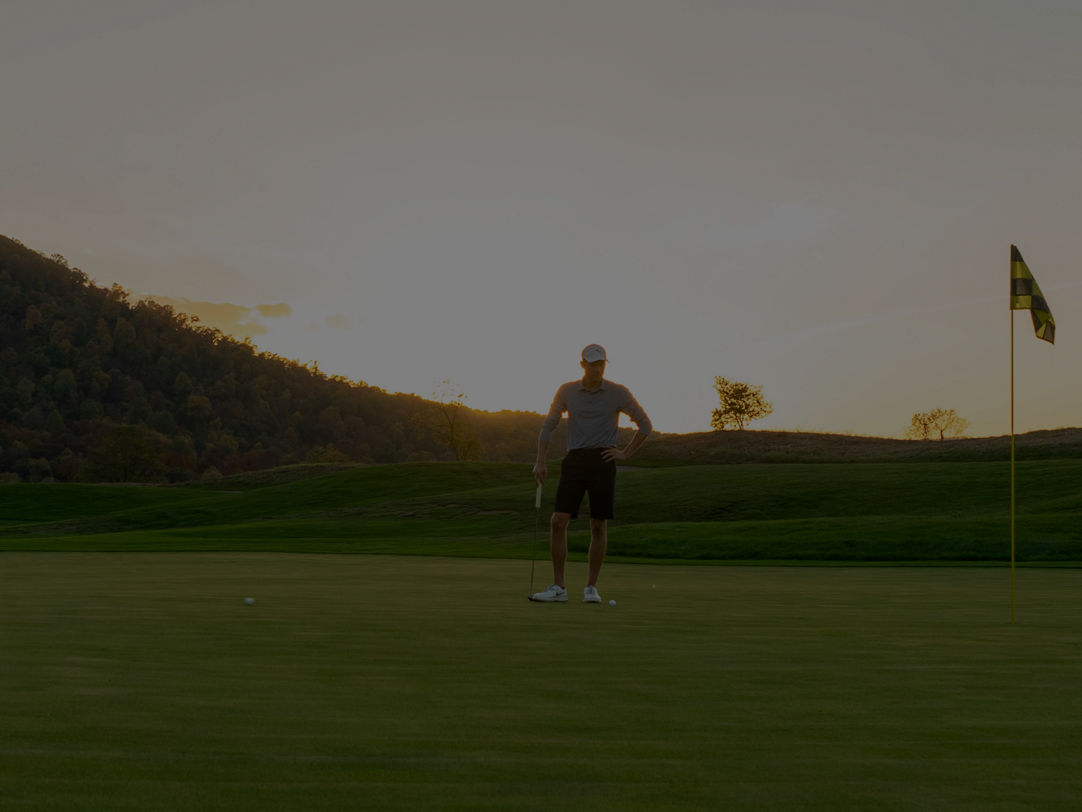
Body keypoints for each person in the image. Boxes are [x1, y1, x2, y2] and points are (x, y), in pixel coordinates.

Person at [531, 344, 652, 603]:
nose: (597, 369)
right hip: (574, 459)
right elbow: (548, 425)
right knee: (558, 520)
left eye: (601, 364)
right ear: (582, 365)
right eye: (592, 364)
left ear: (605, 365)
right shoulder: (567, 391)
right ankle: (559, 588)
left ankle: (590, 588)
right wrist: (540, 461)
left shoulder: (618, 393)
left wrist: (625, 454)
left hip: (603, 460)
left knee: (598, 523)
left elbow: (645, 424)